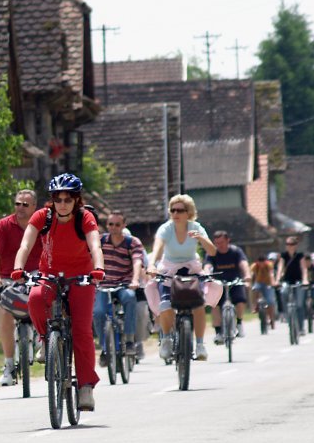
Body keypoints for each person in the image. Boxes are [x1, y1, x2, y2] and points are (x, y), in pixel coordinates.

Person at [11, 173, 104, 411]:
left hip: (81, 277)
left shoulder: (85, 217)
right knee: (34, 298)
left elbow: (95, 245)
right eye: (58, 198)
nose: (62, 203)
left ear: (76, 200)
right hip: (49, 274)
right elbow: (26, 244)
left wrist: (99, 268)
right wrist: (18, 268)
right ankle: (45, 339)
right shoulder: (43, 216)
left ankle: (85, 387)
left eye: (68, 199)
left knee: (82, 331)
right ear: (52, 200)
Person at [146, 194, 217, 361]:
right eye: (172, 210)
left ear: (189, 212)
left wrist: (200, 238)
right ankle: (166, 340)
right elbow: (157, 247)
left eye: (180, 210)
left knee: (199, 306)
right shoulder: (166, 228)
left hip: (190, 268)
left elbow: (212, 251)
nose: (175, 213)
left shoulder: (196, 227)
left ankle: (199, 345)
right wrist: (151, 264)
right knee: (165, 304)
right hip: (169, 269)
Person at [0, 189, 42, 386]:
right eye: (18, 203)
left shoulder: (42, 225)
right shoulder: (4, 225)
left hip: (35, 274)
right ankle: (9, 364)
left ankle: (42, 339)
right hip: (7, 277)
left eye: (25, 204)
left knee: (44, 296)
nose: (20, 208)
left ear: (34, 207)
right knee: (5, 312)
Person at [93, 211, 144, 363]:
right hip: (103, 284)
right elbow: (91, 257)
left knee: (129, 297)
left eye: (117, 224)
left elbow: (137, 262)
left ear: (123, 226)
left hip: (124, 283)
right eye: (110, 224)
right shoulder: (100, 241)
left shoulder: (132, 242)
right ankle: (104, 347)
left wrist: (135, 280)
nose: (113, 227)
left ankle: (129, 340)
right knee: (98, 312)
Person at [205, 231, 251, 343]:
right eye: (216, 243)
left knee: (240, 300)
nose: (219, 245)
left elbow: (243, 264)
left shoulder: (235, 251)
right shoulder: (212, 252)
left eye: (221, 242)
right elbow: (207, 265)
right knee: (214, 304)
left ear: (227, 240)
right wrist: (207, 274)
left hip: (234, 280)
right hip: (218, 282)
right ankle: (218, 332)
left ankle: (239, 323)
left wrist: (247, 275)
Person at [275, 236, 308, 336]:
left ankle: (301, 328)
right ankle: (287, 313)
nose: (289, 246)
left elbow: (304, 268)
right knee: (283, 291)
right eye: (287, 244)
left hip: (298, 281)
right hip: (287, 281)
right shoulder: (283, 255)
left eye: (291, 244)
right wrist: (277, 280)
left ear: (296, 245)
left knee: (299, 305)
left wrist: (305, 279)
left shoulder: (300, 255)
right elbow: (280, 267)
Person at [250, 254, 276, 330]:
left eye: (263, 262)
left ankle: (272, 320)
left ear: (265, 261)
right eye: (260, 262)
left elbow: (271, 274)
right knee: (254, 289)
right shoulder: (254, 266)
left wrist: (273, 283)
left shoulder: (269, 265)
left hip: (268, 283)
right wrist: (249, 282)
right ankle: (255, 305)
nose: (261, 264)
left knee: (270, 301)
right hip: (259, 282)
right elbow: (251, 275)